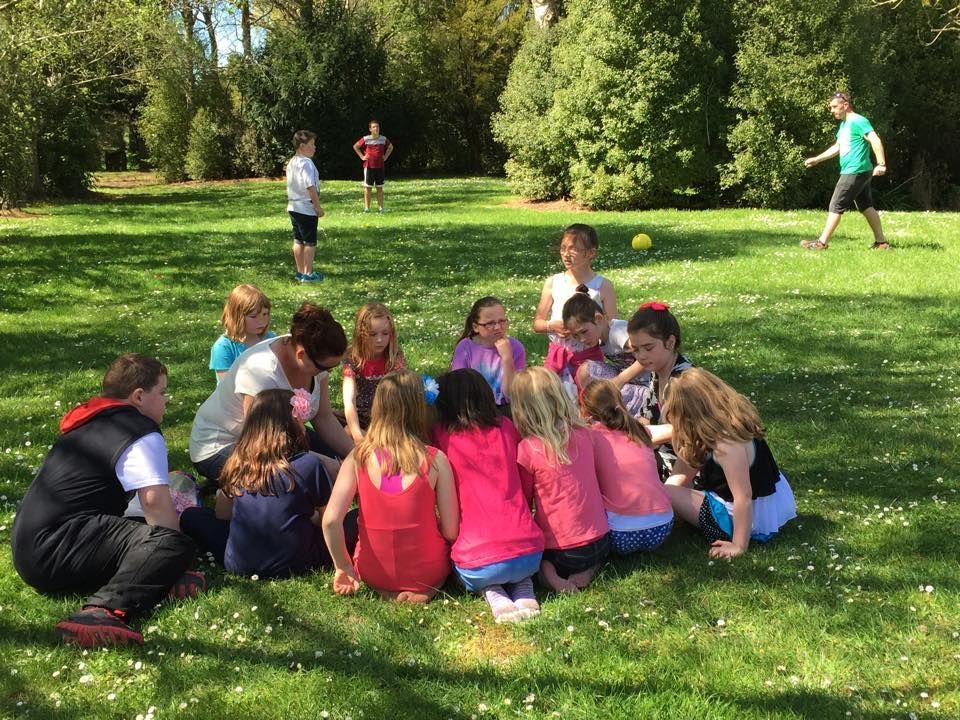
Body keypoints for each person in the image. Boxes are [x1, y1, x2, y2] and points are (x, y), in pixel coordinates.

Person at [11, 353, 201, 647]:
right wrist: (173, 560)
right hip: (59, 545)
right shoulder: (138, 431)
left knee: (145, 529)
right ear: (138, 396)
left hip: (32, 547)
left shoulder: (90, 421)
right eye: (162, 393)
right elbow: (155, 503)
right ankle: (101, 611)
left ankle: (150, 576)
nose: (166, 401)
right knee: (171, 541)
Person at [180, 389, 357, 577]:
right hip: (300, 560)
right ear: (294, 424)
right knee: (356, 518)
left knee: (192, 516)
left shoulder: (236, 463)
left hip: (238, 563)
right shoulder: (309, 465)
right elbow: (326, 520)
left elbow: (222, 515)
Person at [322, 370, 459, 603]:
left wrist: (343, 566)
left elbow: (331, 521)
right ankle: (425, 590)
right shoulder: (436, 460)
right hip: (427, 571)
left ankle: (391, 589)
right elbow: (451, 531)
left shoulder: (358, 457)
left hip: (372, 572)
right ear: (420, 409)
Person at [190, 303, 353, 483]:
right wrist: (320, 462)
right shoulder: (260, 372)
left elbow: (323, 417)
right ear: (301, 355)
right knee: (306, 476)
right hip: (228, 445)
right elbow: (258, 442)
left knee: (337, 463)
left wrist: (357, 456)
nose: (328, 373)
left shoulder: (313, 355)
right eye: (325, 368)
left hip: (281, 434)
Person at [432, 369, 545, 623]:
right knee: (515, 566)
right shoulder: (506, 427)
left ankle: (492, 591)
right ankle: (523, 585)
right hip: (530, 552)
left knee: (472, 568)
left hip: (477, 563)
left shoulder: (441, 435)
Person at [661, 368, 797, 559]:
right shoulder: (719, 428)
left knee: (666, 492)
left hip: (748, 517)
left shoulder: (727, 444)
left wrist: (738, 545)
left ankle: (733, 533)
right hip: (762, 501)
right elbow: (679, 480)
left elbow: (743, 496)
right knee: (668, 491)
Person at [511, 367, 609, 593]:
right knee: (591, 553)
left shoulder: (528, 449)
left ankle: (552, 577)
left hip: (562, 551)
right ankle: (588, 570)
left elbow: (525, 501)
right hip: (601, 540)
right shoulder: (585, 434)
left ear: (522, 409)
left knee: (541, 558)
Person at [580, 381, 674, 555]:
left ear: (585, 410)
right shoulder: (638, 430)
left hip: (620, 533)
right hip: (663, 527)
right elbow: (671, 430)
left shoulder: (590, 437)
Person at [533, 224, 618, 395]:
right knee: (555, 399)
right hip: (558, 356)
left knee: (589, 399)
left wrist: (593, 334)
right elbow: (537, 323)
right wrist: (552, 325)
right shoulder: (554, 282)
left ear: (591, 253)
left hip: (588, 357)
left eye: (573, 249)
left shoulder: (602, 285)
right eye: (563, 248)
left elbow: (613, 325)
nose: (565, 254)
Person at [802, 91, 890, 250]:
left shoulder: (858, 121)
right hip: (859, 170)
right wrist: (817, 159)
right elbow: (837, 147)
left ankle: (821, 243)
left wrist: (882, 164)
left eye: (834, 106)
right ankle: (881, 243)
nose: (832, 110)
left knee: (835, 204)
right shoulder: (844, 125)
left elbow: (875, 139)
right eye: (831, 107)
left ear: (845, 105)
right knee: (865, 205)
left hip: (855, 170)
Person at [626, 301, 693, 475]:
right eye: (636, 350)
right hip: (663, 452)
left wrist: (641, 436)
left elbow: (686, 433)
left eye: (648, 348)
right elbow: (646, 416)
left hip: (688, 464)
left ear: (670, 342)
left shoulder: (684, 381)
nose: (641, 356)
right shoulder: (658, 371)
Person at [562, 292, 648, 411]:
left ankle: (622, 413)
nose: (581, 339)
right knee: (585, 371)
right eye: (576, 335)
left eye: (584, 331)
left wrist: (620, 380)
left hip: (650, 385)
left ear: (598, 319)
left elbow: (647, 355)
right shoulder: (601, 339)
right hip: (633, 382)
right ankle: (600, 410)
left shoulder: (618, 332)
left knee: (606, 394)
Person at [342, 303, 407, 443]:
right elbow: (349, 402)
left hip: (389, 416)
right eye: (372, 334)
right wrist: (357, 435)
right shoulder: (353, 360)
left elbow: (402, 395)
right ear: (361, 334)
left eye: (385, 334)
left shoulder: (394, 357)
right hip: (362, 418)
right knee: (347, 431)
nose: (379, 340)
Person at [451, 296, 526, 414]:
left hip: (506, 408)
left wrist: (507, 359)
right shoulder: (465, 348)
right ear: (476, 327)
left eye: (502, 321)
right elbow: (459, 387)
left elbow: (511, 395)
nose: (497, 327)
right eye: (490, 323)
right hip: (474, 407)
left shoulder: (516, 348)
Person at [209, 284, 275, 382]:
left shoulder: (270, 339)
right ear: (237, 317)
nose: (261, 321)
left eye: (265, 314)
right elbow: (227, 386)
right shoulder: (224, 347)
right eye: (253, 316)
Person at [286, 129, 326, 282]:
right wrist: (317, 207)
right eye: (312, 144)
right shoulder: (306, 163)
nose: (314, 147)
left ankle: (300, 272)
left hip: (293, 206)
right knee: (309, 242)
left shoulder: (292, 162)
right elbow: (310, 186)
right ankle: (308, 274)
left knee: (298, 240)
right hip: (306, 207)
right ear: (302, 146)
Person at [352, 119, 394, 213]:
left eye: (378, 127)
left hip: (380, 167)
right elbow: (355, 146)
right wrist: (362, 157)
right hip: (369, 166)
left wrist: (386, 156)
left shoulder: (383, 139)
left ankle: (381, 208)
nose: (376, 128)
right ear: (370, 129)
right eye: (374, 127)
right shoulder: (366, 139)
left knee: (380, 187)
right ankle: (367, 208)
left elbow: (391, 147)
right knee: (368, 188)